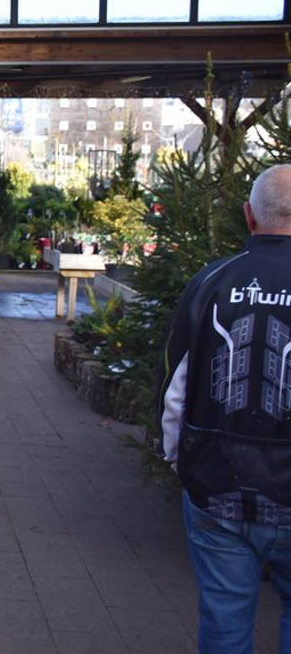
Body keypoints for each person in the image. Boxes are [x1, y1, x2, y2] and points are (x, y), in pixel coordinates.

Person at [159, 163, 291, 653]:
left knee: (224, 614)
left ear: (249, 217)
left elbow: (175, 385)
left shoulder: (211, 281)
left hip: (216, 484)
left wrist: (180, 462)